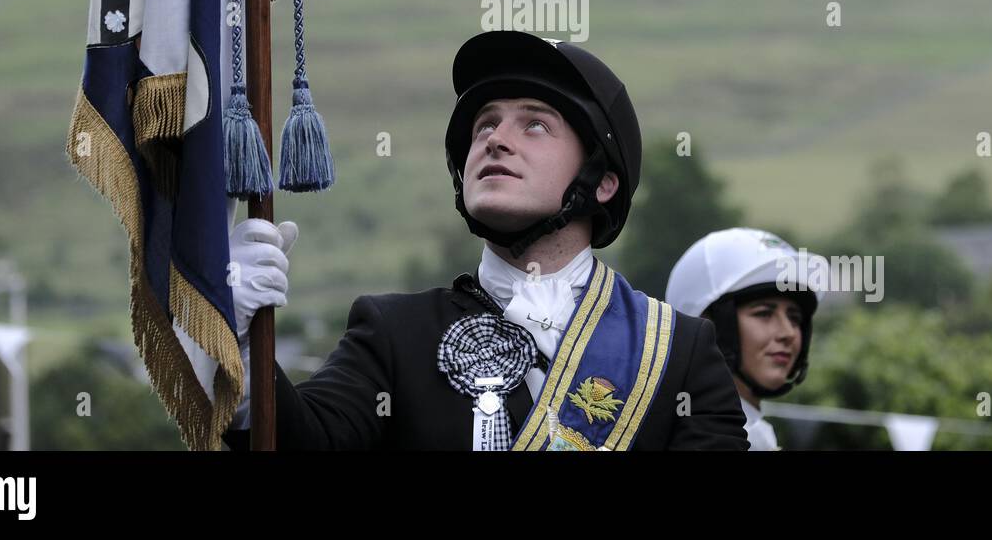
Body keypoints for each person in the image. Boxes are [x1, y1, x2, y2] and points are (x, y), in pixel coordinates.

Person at [223, 30, 749, 450]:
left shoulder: (679, 352)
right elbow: (300, 441)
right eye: (484, 125)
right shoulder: (393, 334)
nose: (496, 138)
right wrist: (239, 341)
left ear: (602, 180)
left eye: (535, 125)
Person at [666, 228, 819, 451]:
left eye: (794, 318)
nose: (789, 333)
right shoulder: (690, 438)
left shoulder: (755, 432)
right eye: (764, 314)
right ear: (708, 327)